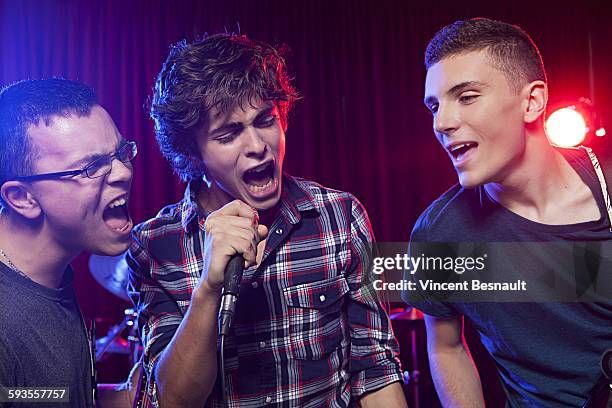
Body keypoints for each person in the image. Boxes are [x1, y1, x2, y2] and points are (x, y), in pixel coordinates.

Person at [127, 33, 406, 407]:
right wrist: (208, 289)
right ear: (192, 152)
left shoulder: (340, 215)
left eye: (265, 120)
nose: (257, 145)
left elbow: (376, 371)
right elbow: (174, 400)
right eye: (229, 134)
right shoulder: (153, 246)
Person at [402, 17, 612, 407]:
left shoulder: (606, 190)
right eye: (435, 106)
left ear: (532, 101)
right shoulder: (440, 234)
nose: (442, 122)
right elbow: (446, 347)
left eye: (466, 97)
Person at [0, 78, 136, 407]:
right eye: (92, 167)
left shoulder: (48, 273)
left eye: (120, 153)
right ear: (23, 198)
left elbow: (31, 397)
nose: (123, 173)